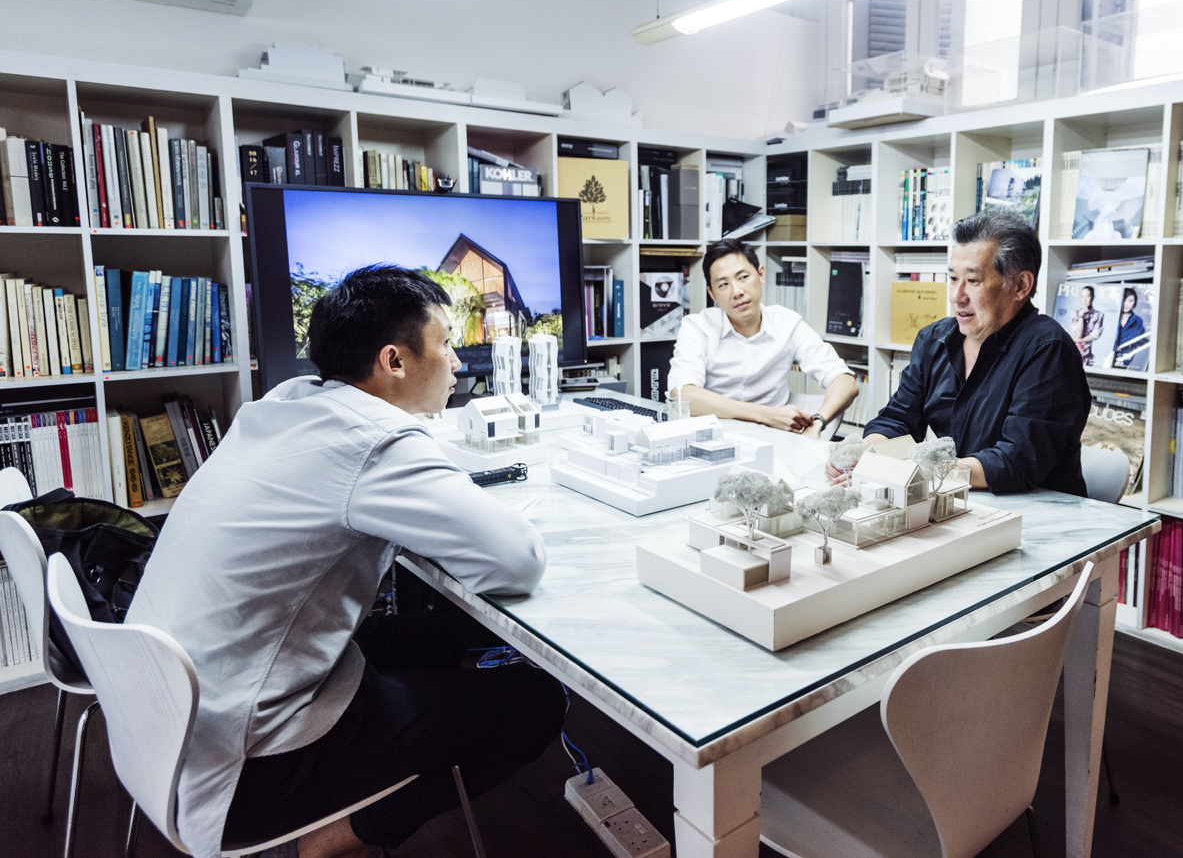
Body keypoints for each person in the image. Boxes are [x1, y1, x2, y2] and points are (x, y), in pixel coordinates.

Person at [126, 265, 563, 858]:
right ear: (394, 361)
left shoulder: (283, 403)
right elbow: (516, 562)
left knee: (446, 633)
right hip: (242, 770)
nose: (459, 361)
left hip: (160, 718)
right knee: (539, 700)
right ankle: (339, 838)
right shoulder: (376, 439)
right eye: (446, 343)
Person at [829, 211, 1090, 496]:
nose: (956, 295)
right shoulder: (934, 340)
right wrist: (868, 455)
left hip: (1034, 516)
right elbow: (898, 420)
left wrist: (923, 474)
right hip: (955, 498)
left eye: (973, 281)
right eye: (953, 278)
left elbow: (1016, 461)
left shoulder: (1048, 350)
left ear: (1020, 286)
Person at [668, 237, 859, 435]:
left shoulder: (787, 324)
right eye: (723, 284)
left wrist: (818, 422)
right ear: (712, 294)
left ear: (761, 275)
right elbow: (682, 394)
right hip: (713, 438)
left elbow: (846, 382)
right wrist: (767, 415)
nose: (737, 292)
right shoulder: (697, 327)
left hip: (775, 440)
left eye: (743, 277)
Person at [1069, 285, 1104, 365]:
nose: (1084, 300)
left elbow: (1095, 335)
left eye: (1087, 296)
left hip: (1089, 352)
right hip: (1074, 351)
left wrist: (1077, 340)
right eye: (1082, 297)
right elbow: (1079, 334)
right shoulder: (1075, 313)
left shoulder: (1098, 314)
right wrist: (1081, 316)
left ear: (1093, 297)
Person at [1112, 286, 1146, 369]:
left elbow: (1137, 344)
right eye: (1124, 299)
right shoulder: (1111, 317)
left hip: (1125, 361)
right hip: (1106, 359)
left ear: (1134, 302)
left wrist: (1129, 364)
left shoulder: (1138, 321)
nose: (1126, 304)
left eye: (1130, 300)